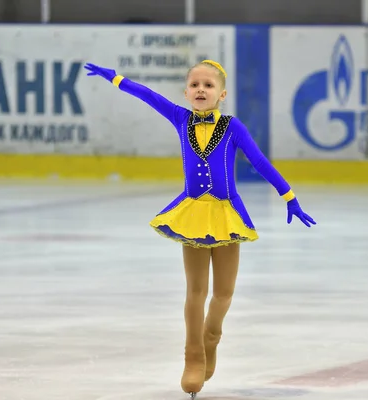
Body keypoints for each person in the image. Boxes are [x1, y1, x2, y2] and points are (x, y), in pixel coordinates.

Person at [84, 59, 315, 398]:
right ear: (186, 92)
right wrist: (117, 79)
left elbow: (259, 160)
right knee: (195, 291)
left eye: (208, 85)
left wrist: (289, 196)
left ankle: (211, 338)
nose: (201, 90)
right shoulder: (180, 118)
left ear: (221, 94)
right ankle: (193, 355)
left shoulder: (233, 127)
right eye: (195, 85)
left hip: (225, 215)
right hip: (192, 214)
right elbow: (148, 96)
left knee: (223, 293)